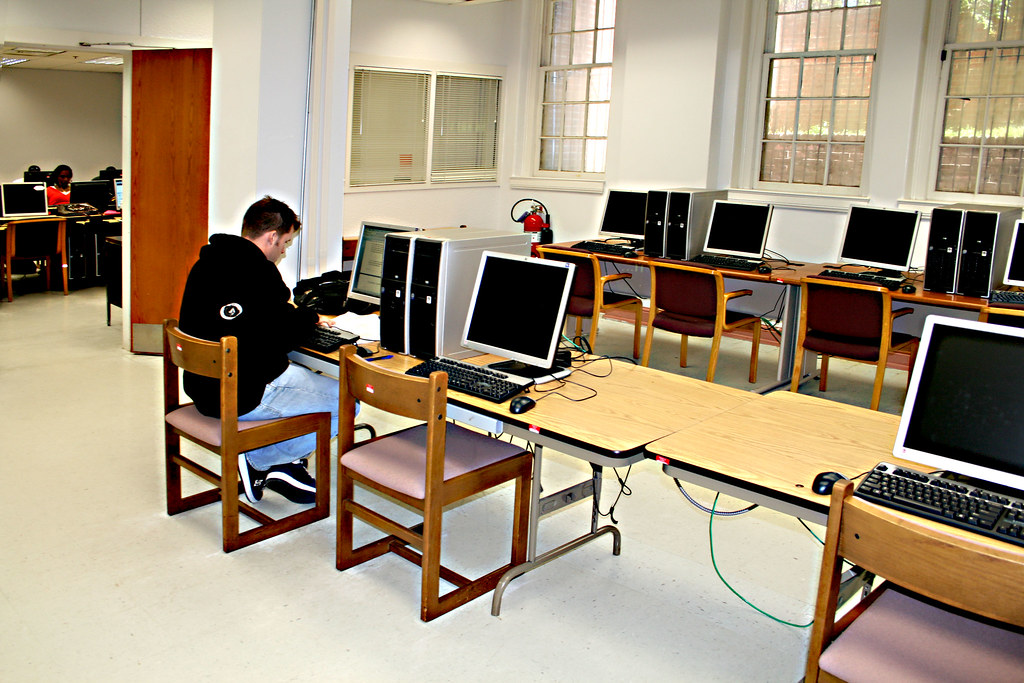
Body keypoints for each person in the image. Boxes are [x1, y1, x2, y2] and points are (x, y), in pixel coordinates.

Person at [178, 196, 343, 505]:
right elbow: (283, 332)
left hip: (202, 387)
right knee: (347, 400)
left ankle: (281, 464)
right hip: (242, 392)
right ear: (271, 237)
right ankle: (262, 460)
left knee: (304, 378)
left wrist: (290, 319)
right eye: (286, 243)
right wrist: (312, 319)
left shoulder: (207, 263)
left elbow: (256, 321)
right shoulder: (258, 272)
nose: (283, 251)